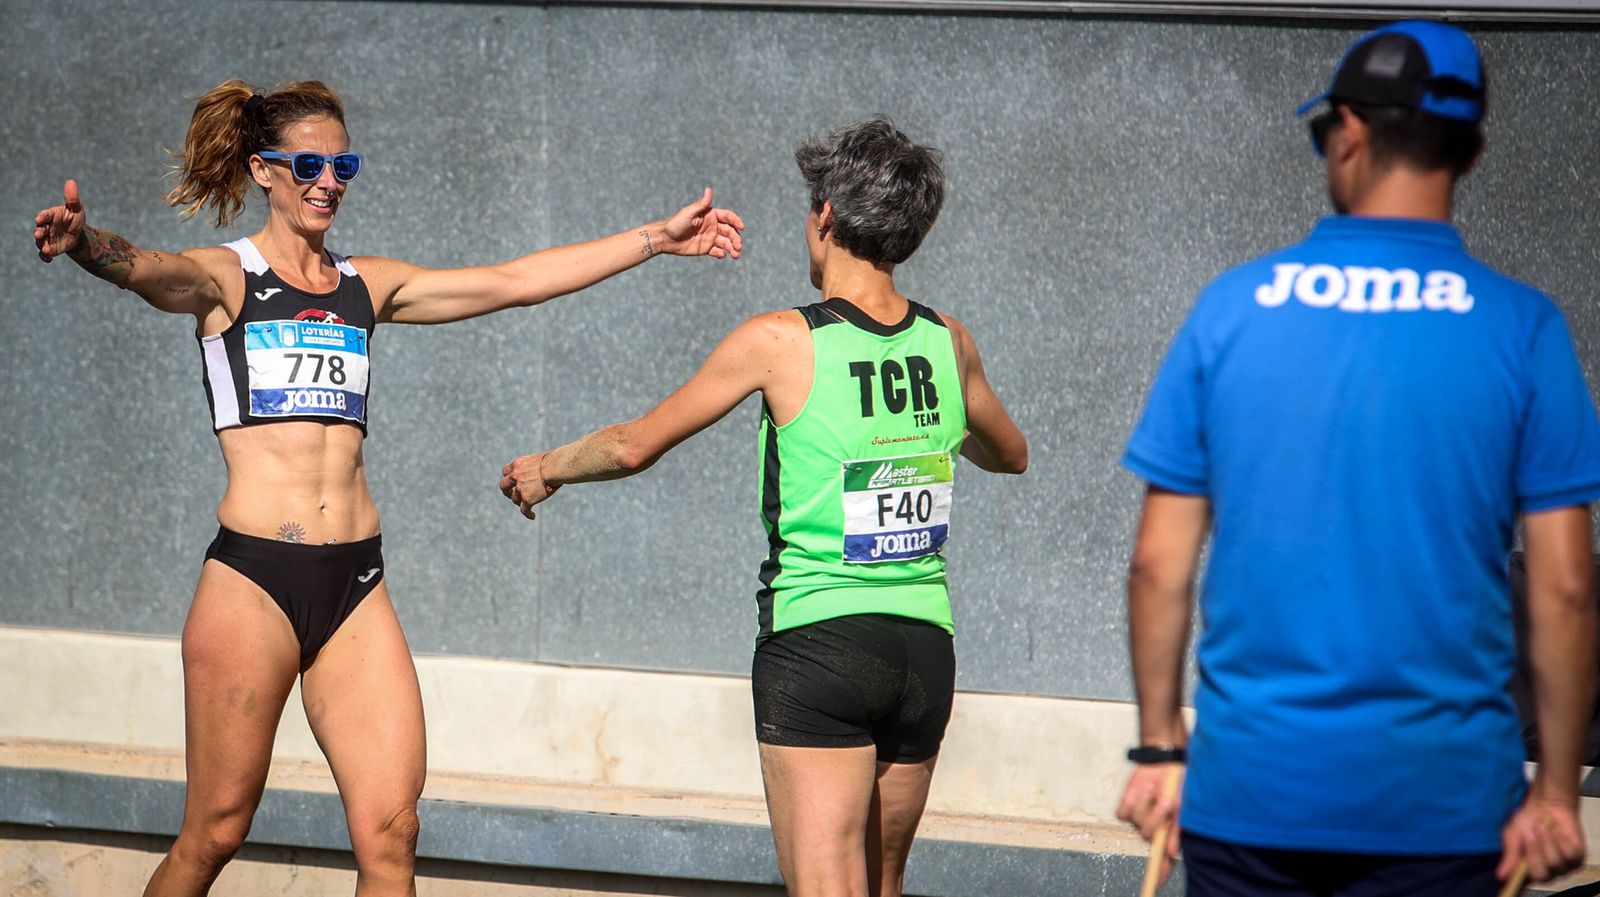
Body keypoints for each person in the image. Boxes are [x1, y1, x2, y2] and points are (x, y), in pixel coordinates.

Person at [31, 78, 743, 897]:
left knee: (392, 832)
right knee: (215, 831)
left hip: (355, 584)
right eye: (307, 165)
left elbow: (510, 281)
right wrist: (87, 246)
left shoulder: (364, 287)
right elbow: (152, 269)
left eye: (344, 165)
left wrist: (657, 236)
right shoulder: (229, 279)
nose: (327, 181)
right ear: (264, 170)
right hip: (253, 581)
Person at [1115, 22, 1600, 897]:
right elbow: (1565, 588)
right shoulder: (1524, 330)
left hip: (1250, 800)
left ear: (1347, 130)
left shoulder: (1230, 311)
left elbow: (1157, 565)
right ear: (1475, 149)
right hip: (1448, 814)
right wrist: (1557, 791)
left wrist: (1158, 746)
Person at [499, 117, 1027, 897]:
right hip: (924, 649)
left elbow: (634, 445)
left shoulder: (782, 339)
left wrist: (548, 468)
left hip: (818, 645)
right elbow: (1009, 451)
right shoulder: (950, 343)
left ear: (825, 218)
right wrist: (934, 436)